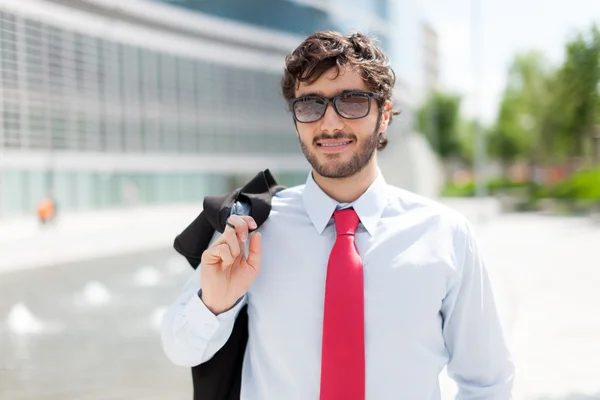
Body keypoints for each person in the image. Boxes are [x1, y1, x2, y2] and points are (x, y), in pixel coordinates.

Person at [161, 31, 514, 399]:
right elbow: (181, 348)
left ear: (384, 114)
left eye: (352, 101)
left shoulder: (446, 235)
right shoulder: (251, 226)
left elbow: (487, 380)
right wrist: (215, 304)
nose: (330, 123)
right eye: (311, 104)